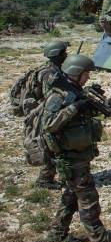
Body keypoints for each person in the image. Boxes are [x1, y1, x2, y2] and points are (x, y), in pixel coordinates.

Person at [39, 54, 109, 242]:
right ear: (77, 74)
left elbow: (84, 117)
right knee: (89, 202)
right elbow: (49, 124)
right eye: (86, 74)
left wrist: (89, 104)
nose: (88, 77)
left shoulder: (75, 91)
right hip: (70, 158)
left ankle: (56, 234)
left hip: (79, 156)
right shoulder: (58, 96)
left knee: (71, 196)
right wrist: (75, 108)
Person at [23, 41, 69, 189]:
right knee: (50, 146)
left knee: (54, 145)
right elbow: (50, 96)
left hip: (47, 111)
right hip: (44, 113)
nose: (66, 54)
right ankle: (44, 180)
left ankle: (61, 176)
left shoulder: (54, 69)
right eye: (63, 53)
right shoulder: (49, 73)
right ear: (57, 55)